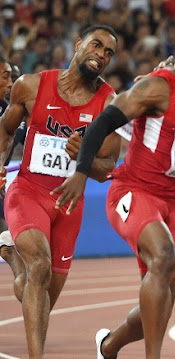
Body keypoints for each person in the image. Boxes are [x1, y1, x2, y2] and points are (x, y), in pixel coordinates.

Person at [52, 23, 175, 359]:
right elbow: (104, 121)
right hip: (133, 192)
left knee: (162, 307)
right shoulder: (155, 89)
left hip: (174, 200)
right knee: (161, 257)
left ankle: (110, 346)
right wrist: (81, 172)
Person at [0, 25, 121, 358]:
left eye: (109, 52)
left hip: (69, 205)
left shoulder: (109, 105)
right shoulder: (30, 86)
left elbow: (107, 168)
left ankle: (12, 256)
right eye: (97, 45)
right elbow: (6, 131)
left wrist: (84, 156)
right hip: (27, 191)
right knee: (39, 266)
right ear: (79, 44)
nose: (102, 54)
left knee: (38, 292)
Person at [0, 62, 24, 233]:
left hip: (1, 182)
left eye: (15, 79)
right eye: (7, 78)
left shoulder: (14, 113)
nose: (11, 84)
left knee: (6, 231)